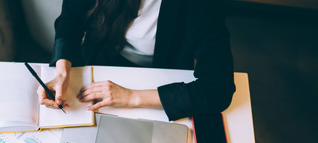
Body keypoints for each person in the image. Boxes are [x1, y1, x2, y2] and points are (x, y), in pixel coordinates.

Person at [38, 0, 235, 121]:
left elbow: (218, 88)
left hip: (160, 80)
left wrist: (131, 97)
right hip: (99, 63)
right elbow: (70, 19)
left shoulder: (205, 4)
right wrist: (62, 72)